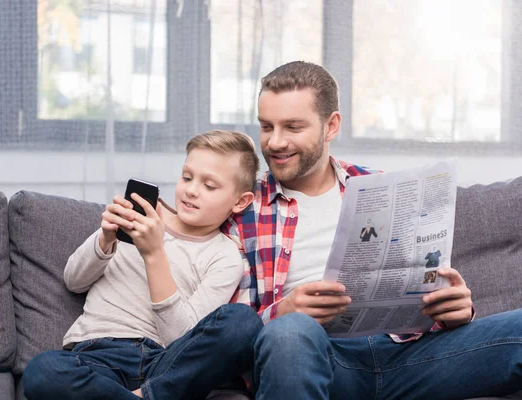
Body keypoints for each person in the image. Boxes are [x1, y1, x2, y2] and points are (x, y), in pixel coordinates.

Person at [222, 61, 522, 400]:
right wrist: (282, 313)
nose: (275, 142)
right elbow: (223, 334)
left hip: (411, 358)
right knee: (290, 333)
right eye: (266, 127)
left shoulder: (383, 187)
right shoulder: (241, 208)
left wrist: (456, 312)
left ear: (330, 125)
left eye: (292, 127)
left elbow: (422, 283)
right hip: (323, 359)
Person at [24, 130, 263, 400]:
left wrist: (154, 254)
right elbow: (74, 281)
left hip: (163, 364)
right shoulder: (140, 217)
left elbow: (182, 338)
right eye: (186, 177)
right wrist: (106, 238)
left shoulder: (224, 255)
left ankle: (150, 393)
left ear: (240, 201)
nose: (191, 190)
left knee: (243, 323)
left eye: (209, 186)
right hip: (96, 356)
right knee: (42, 371)